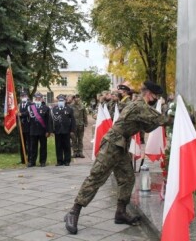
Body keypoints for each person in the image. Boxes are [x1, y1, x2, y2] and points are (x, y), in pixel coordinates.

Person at [64, 81, 168, 235]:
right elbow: (161, 119)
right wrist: (183, 116)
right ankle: (73, 212)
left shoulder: (140, 106)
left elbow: (147, 126)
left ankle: (121, 213)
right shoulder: (139, 105)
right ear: (148, 94)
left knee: (127, 178)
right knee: (96, 177)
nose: (156, 99)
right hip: (112, 144)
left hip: (121, 145)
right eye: (155, 96)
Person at [27, 92, 51, 167]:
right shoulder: (30, 107)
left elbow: (48, 121)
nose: (38, 99)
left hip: (42, 130)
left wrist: (48, 131)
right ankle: (32, 161)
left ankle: (42, 161)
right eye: (36, 98)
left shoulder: (46, 108)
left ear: (41, 98)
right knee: (33, 147)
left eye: (39, 98)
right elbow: (27, 118)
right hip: (33, 130)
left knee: (43, 147)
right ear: (35, 98)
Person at [51, 95, 75, 166]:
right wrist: (52, 131)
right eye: (59, 101)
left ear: (64, 101)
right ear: (57, 101)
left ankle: (67, 161)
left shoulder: (69, 109)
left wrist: (72, 130)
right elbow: (51, 121)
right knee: (58, 146)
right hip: (57, 131)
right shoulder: (54, 109)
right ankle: (59, 161)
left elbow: (72, 120)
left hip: (66, 130)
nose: (60, 102)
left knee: (67, 146)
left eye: (62, 101)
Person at [18, 93, 31, 165]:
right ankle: (23, 159)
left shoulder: (30, 104)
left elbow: (29, 112)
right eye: (22, 96)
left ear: (27, 97)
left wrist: (21, 114)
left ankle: (29, 159)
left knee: (29, 144)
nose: (23, 97)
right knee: (22, 143)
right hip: (21, 127)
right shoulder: (19, 105)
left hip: (28, 126)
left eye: (25, 96)